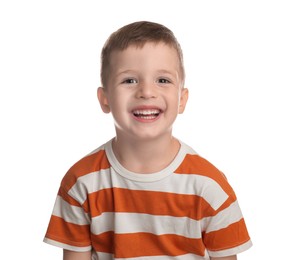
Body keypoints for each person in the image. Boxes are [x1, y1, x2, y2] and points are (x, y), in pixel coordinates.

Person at [44, 21, 252, 260]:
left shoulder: (210, 187)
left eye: (162, 80)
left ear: (182, 99)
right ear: (105, 99)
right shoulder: (80, 183)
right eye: (129, 80)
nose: (146, 91)